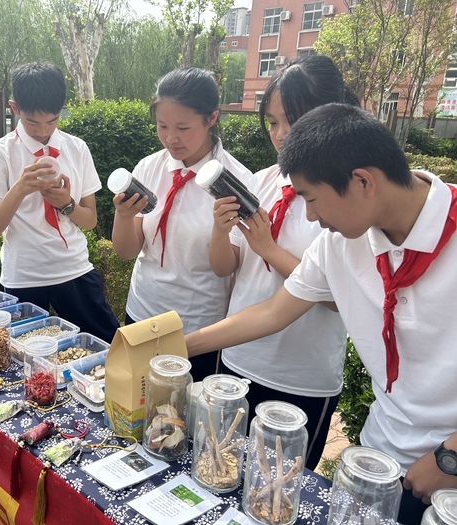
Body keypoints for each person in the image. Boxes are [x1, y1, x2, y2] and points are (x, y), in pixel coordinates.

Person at [185, 103, 457, 524]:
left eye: (312, 199)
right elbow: (273, 312)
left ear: (363, 181)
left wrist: (449, 457)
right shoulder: (340, 244)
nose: (310, 216)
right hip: (378, 458)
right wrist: (178, 346)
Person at [206, 56, 359, 470]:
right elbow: (225, 268)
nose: (281, 134)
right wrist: (220, 231)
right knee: (220, 470)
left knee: (280, 494)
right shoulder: (262, 181)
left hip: (301, 376)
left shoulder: (351, 198)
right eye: (272, 122)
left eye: (292, 119)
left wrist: (269, 249)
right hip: (238, 357)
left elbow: (342, 299)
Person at [111, 67, 253, 382]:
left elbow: (224, 269)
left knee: (180, 420)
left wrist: (220, 230)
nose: (171, 138)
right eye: (162, 126)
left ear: (212, 118)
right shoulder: (150, 167)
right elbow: (127, 250)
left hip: (195, 326)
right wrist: (123, 217)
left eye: (183, 127)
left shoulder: (238, 181)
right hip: (142, 313)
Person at [0, 62, 119, 343]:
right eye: (32, 122)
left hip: (74, 269)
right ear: (15, 109)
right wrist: (19, 189)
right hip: (23, 277)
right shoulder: (1, 154)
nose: (43, 131)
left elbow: (89, 221)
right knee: (24, 360)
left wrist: (67, 203)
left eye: (52, 121)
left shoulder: (76, 148)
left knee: (106, 348)